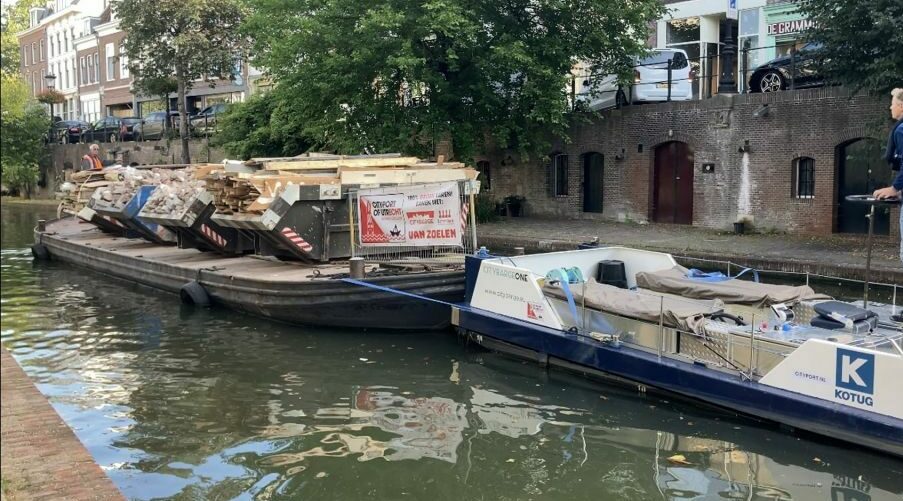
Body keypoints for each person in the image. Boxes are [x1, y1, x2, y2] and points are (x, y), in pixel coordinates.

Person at [872, 88, 903, 266]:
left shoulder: (901, 131)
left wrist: (894, 188)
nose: (890, 107)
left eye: (892, 104)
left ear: (900, 106)